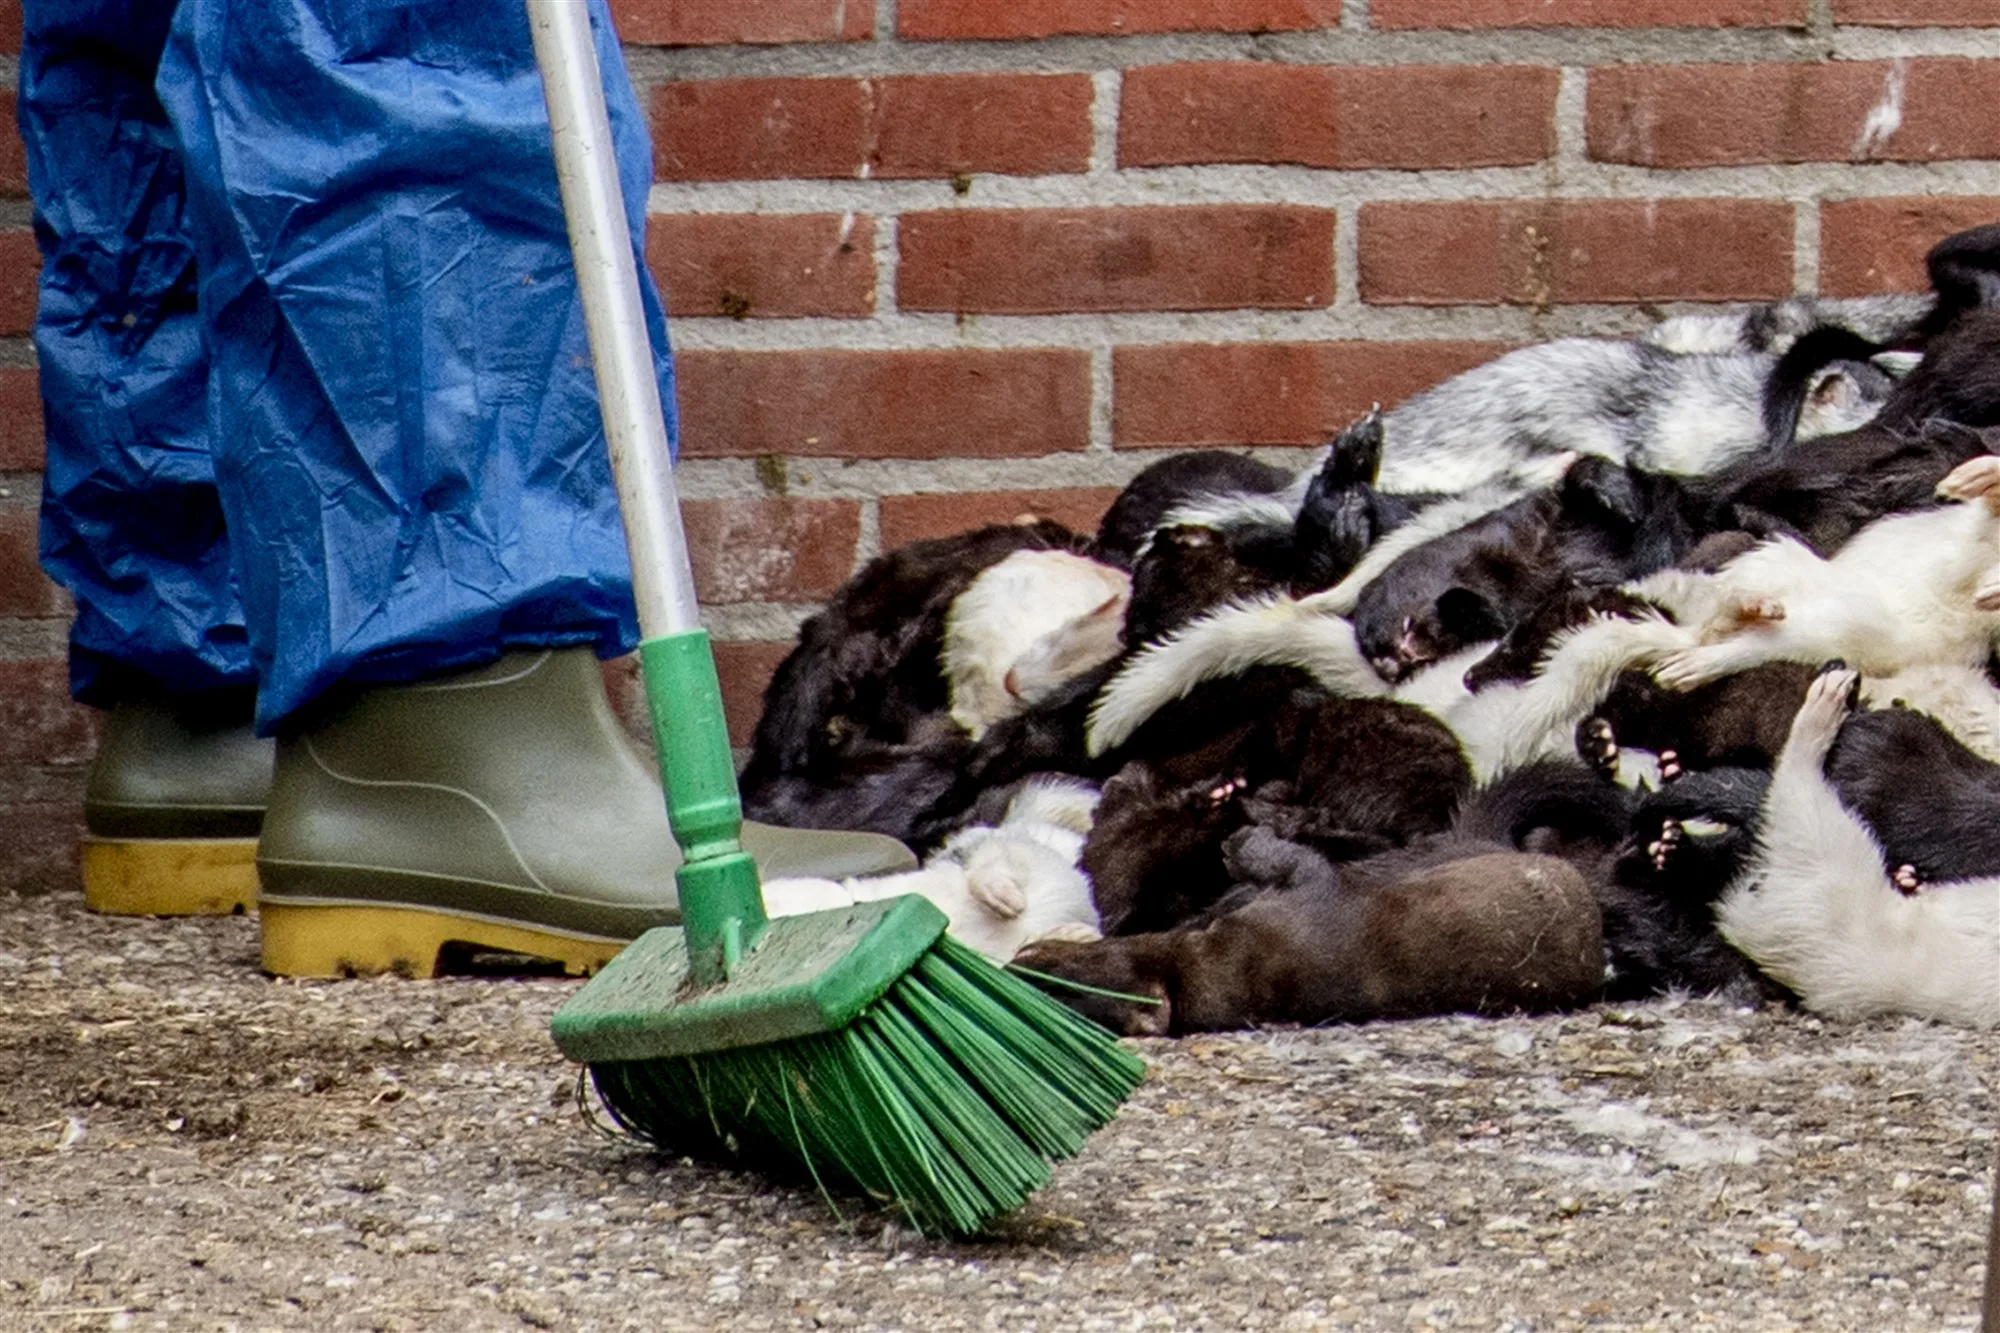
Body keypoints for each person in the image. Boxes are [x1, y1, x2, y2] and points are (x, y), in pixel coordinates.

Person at [21, 0, 911, 976]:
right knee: (408, 35)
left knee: (164, 40)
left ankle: (210, 697)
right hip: (452, 717)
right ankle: (452, 732)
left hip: (193, 664)